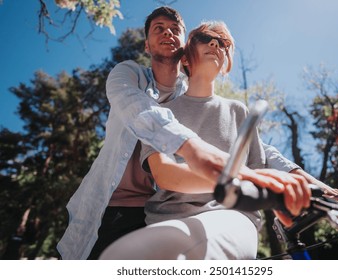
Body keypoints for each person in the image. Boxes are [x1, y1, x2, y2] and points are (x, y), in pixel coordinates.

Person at [99, 21, 311, 260]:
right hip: (167, 220)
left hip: (232, 216)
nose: (215, 44)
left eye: (222, 43)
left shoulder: (239, 112)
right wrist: (231, 180)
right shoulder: (161, 115)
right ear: (185, 60)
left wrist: (321, 189)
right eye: (205, 38)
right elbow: (164, 174)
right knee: (122, 256)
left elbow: (263, 162)